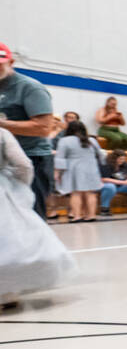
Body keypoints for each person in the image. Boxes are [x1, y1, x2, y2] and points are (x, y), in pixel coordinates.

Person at [0, 127, 76, 308]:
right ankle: (7, 293)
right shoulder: (2, 133)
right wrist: (18, 186)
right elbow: (23, 164)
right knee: (11, 243)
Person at [0, 42, 57, 219]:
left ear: (11, 62)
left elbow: (43, 128)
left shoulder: (30, 87)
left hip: (32, 159)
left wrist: (3, 124)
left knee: (31, 216)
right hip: (4, 161)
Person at [53, 119, 103, 223]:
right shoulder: (92, 140)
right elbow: (101, 154)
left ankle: (77, 216)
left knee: (75, 193)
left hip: (74, 169)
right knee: (91, 193)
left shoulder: (65, 140)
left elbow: (60, 158)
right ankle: (91, 215)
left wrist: (57, 172)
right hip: (91, 168)